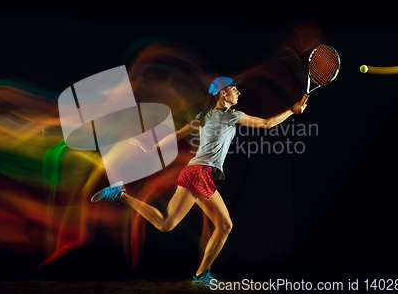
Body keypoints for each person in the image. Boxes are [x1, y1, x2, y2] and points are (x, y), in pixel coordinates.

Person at [91, 76, 306, 286]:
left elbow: (177, 134)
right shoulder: (230, 115)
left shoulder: (203, 117)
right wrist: (291, 110)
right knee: (224, 225)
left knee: (167, 224)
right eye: (235, 89)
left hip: (192, 172)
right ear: (223, 93)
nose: (239, 92)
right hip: (199, 174)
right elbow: (267, 124)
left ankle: (119, 194)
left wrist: (152, 147)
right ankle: (202, 274)